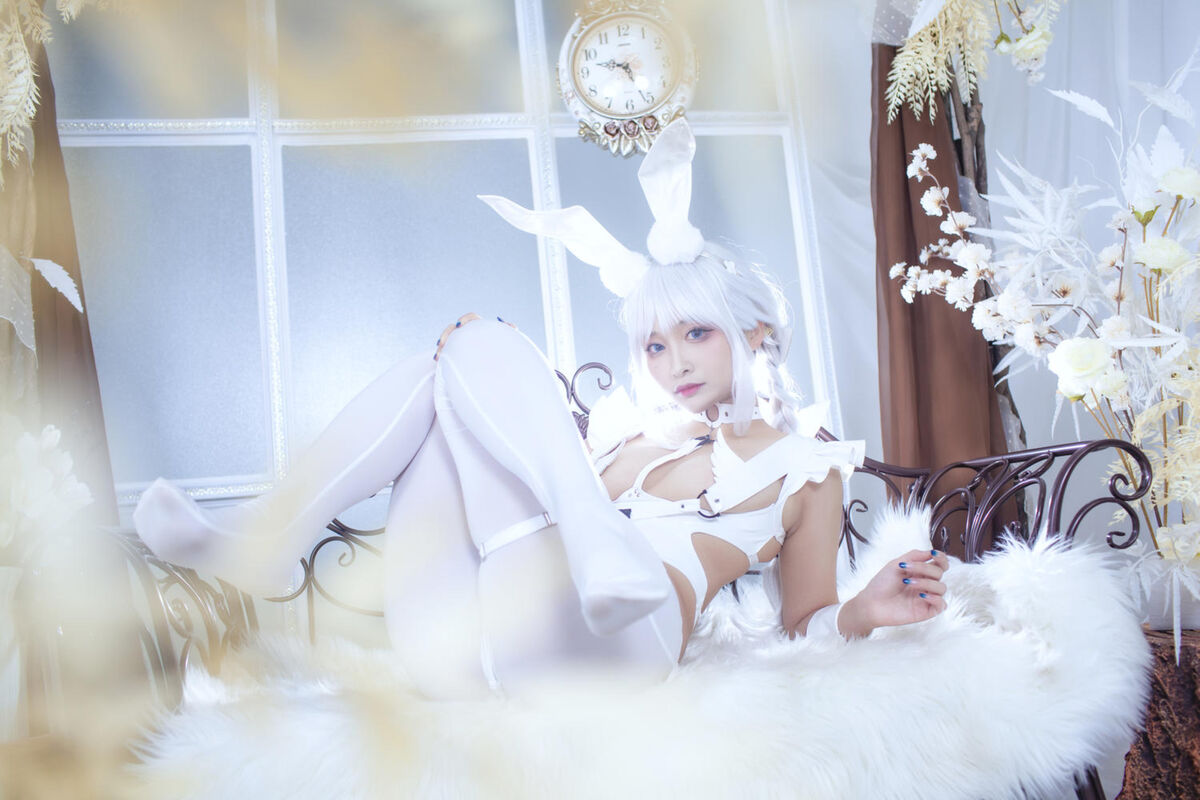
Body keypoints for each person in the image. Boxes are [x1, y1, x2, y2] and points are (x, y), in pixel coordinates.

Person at [132, 120, 948, 699]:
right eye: (653, 345)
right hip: (461, 646)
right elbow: (494, 449)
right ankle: (271, 540)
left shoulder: (805, 466)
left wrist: (861, 609)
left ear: (755, 334)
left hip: (614, 649)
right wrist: (481, 359)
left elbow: (801, 622)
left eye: (696, 333)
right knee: (444, 365)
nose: (672, 362)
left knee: (473, 347)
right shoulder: (624, 433)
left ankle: (596, 554)